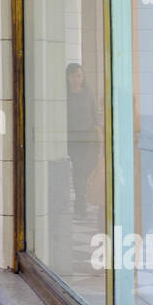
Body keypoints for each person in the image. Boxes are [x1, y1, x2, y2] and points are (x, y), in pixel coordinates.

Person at [66, 62, 99, 219]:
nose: (76, 79)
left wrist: (98, 128)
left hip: (89, 138)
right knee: (78, 170)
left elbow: (95, 113)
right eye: (73, 76)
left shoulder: (88, 92)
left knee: (87, 169)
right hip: (73, 138)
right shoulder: (64, 95)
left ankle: (82, 200)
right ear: (68, 77)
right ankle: (81, 201)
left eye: (79, 75)